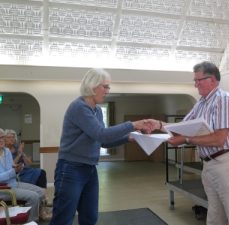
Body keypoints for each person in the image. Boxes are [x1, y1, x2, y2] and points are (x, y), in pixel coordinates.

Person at [48, 68, 161, 225]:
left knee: (90, 217)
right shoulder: (79, 107)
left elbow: (103, 141)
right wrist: (133, 124)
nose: (108, 91)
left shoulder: (97, 111)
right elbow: (101, 134)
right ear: (92, 86)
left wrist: (129, 138)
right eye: (105, 86)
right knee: (63, 217)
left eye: (109, 87)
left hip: (90, 168)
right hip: (71, 168)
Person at [168, 61, 229, 225]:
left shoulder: (224, 99)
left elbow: (219, 138)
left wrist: (186, 139)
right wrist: (157, 126)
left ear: (212, 79)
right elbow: (181, 128)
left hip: (226, 161)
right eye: (195, 80)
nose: (196, 84)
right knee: (214, 214)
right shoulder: (201, 102)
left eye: (199, 80)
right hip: (209, 163)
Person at [0, 128, 51, 222]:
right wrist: (13, 171)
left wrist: (17, 168)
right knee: (34, 196)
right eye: (0, 138)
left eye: (2, 137)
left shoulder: (6, 151)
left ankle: (29, 217)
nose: (1, 140)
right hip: (4, 188)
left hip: (13, 182)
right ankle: (32, 221)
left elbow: (11, 169)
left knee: (40, 192)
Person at [4, 129, 49, 197]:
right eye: (9, 137)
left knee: (41, 172)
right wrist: (19, 155)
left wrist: (22, 153)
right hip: (16, 173)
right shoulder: (4, 150)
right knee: (34, 177)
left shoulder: (17, 147)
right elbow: (10, 165)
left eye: (13, 137)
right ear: (5, 139)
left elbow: (29, 163)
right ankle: (39, 196)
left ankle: (43, 196)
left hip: (25, 169)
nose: (11, 139)